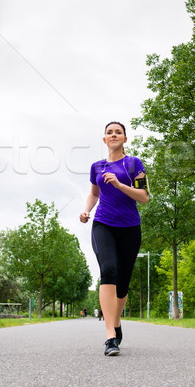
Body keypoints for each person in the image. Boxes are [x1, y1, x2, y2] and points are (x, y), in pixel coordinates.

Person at [79, 121, 149, 356]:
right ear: (104, 139)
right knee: (108, 271)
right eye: (109, 132)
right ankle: (110, 335)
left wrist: (119, 184)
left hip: (130, 227)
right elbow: (94, 193)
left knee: (123, 285)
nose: (114, 135)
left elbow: (144, 197)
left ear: (125, 139)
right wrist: (87, 210)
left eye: (118, 132)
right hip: (103, 225)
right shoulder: (96, 167)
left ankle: (116, 322)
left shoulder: (134, 164)